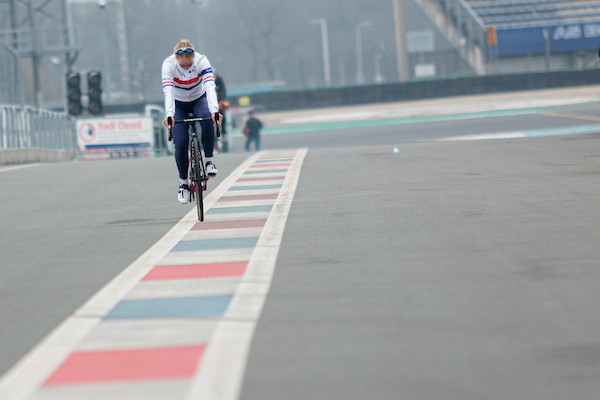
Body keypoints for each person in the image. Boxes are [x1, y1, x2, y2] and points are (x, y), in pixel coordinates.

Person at [162, 39, 222, 204]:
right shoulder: (168, 64)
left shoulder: (202, 61)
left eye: (189, 63)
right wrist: (169, 114)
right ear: (176, 58)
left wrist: (215, 111)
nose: (187, 67)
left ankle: (209, 159)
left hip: (198, 99)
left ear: (193, 57)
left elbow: (210, 86)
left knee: (208, 117)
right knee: (180, 143)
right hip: (178, 104)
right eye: (183, 65)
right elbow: (168, 91)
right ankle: (183, 183)